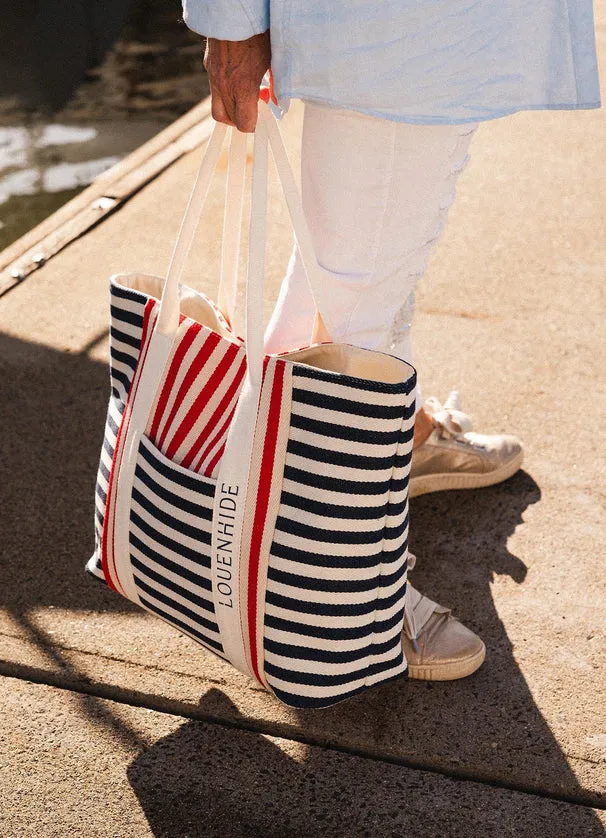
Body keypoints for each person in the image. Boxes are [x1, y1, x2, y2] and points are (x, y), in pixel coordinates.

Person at [181, 0, 601, 681]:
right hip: (391, 27)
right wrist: (229, 23)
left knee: (368, 267)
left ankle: (382, 449)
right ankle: (330, 586)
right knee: (357, 290)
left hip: (439, 26)